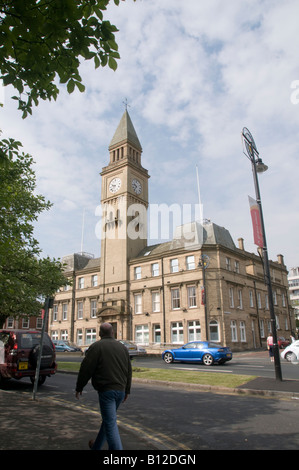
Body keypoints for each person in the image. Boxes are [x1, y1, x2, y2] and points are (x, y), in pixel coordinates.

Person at [75, 322, 132, 450]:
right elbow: (129, 370)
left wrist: (79, 387)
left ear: (99, 333)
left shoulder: (96, 347)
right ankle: (96, 447)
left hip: (107, 392)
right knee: (108, 421)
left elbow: (86, 369)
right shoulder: (122, 347)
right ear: (113, 333)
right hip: (120, 391)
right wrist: (127, 390)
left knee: (110, 423)